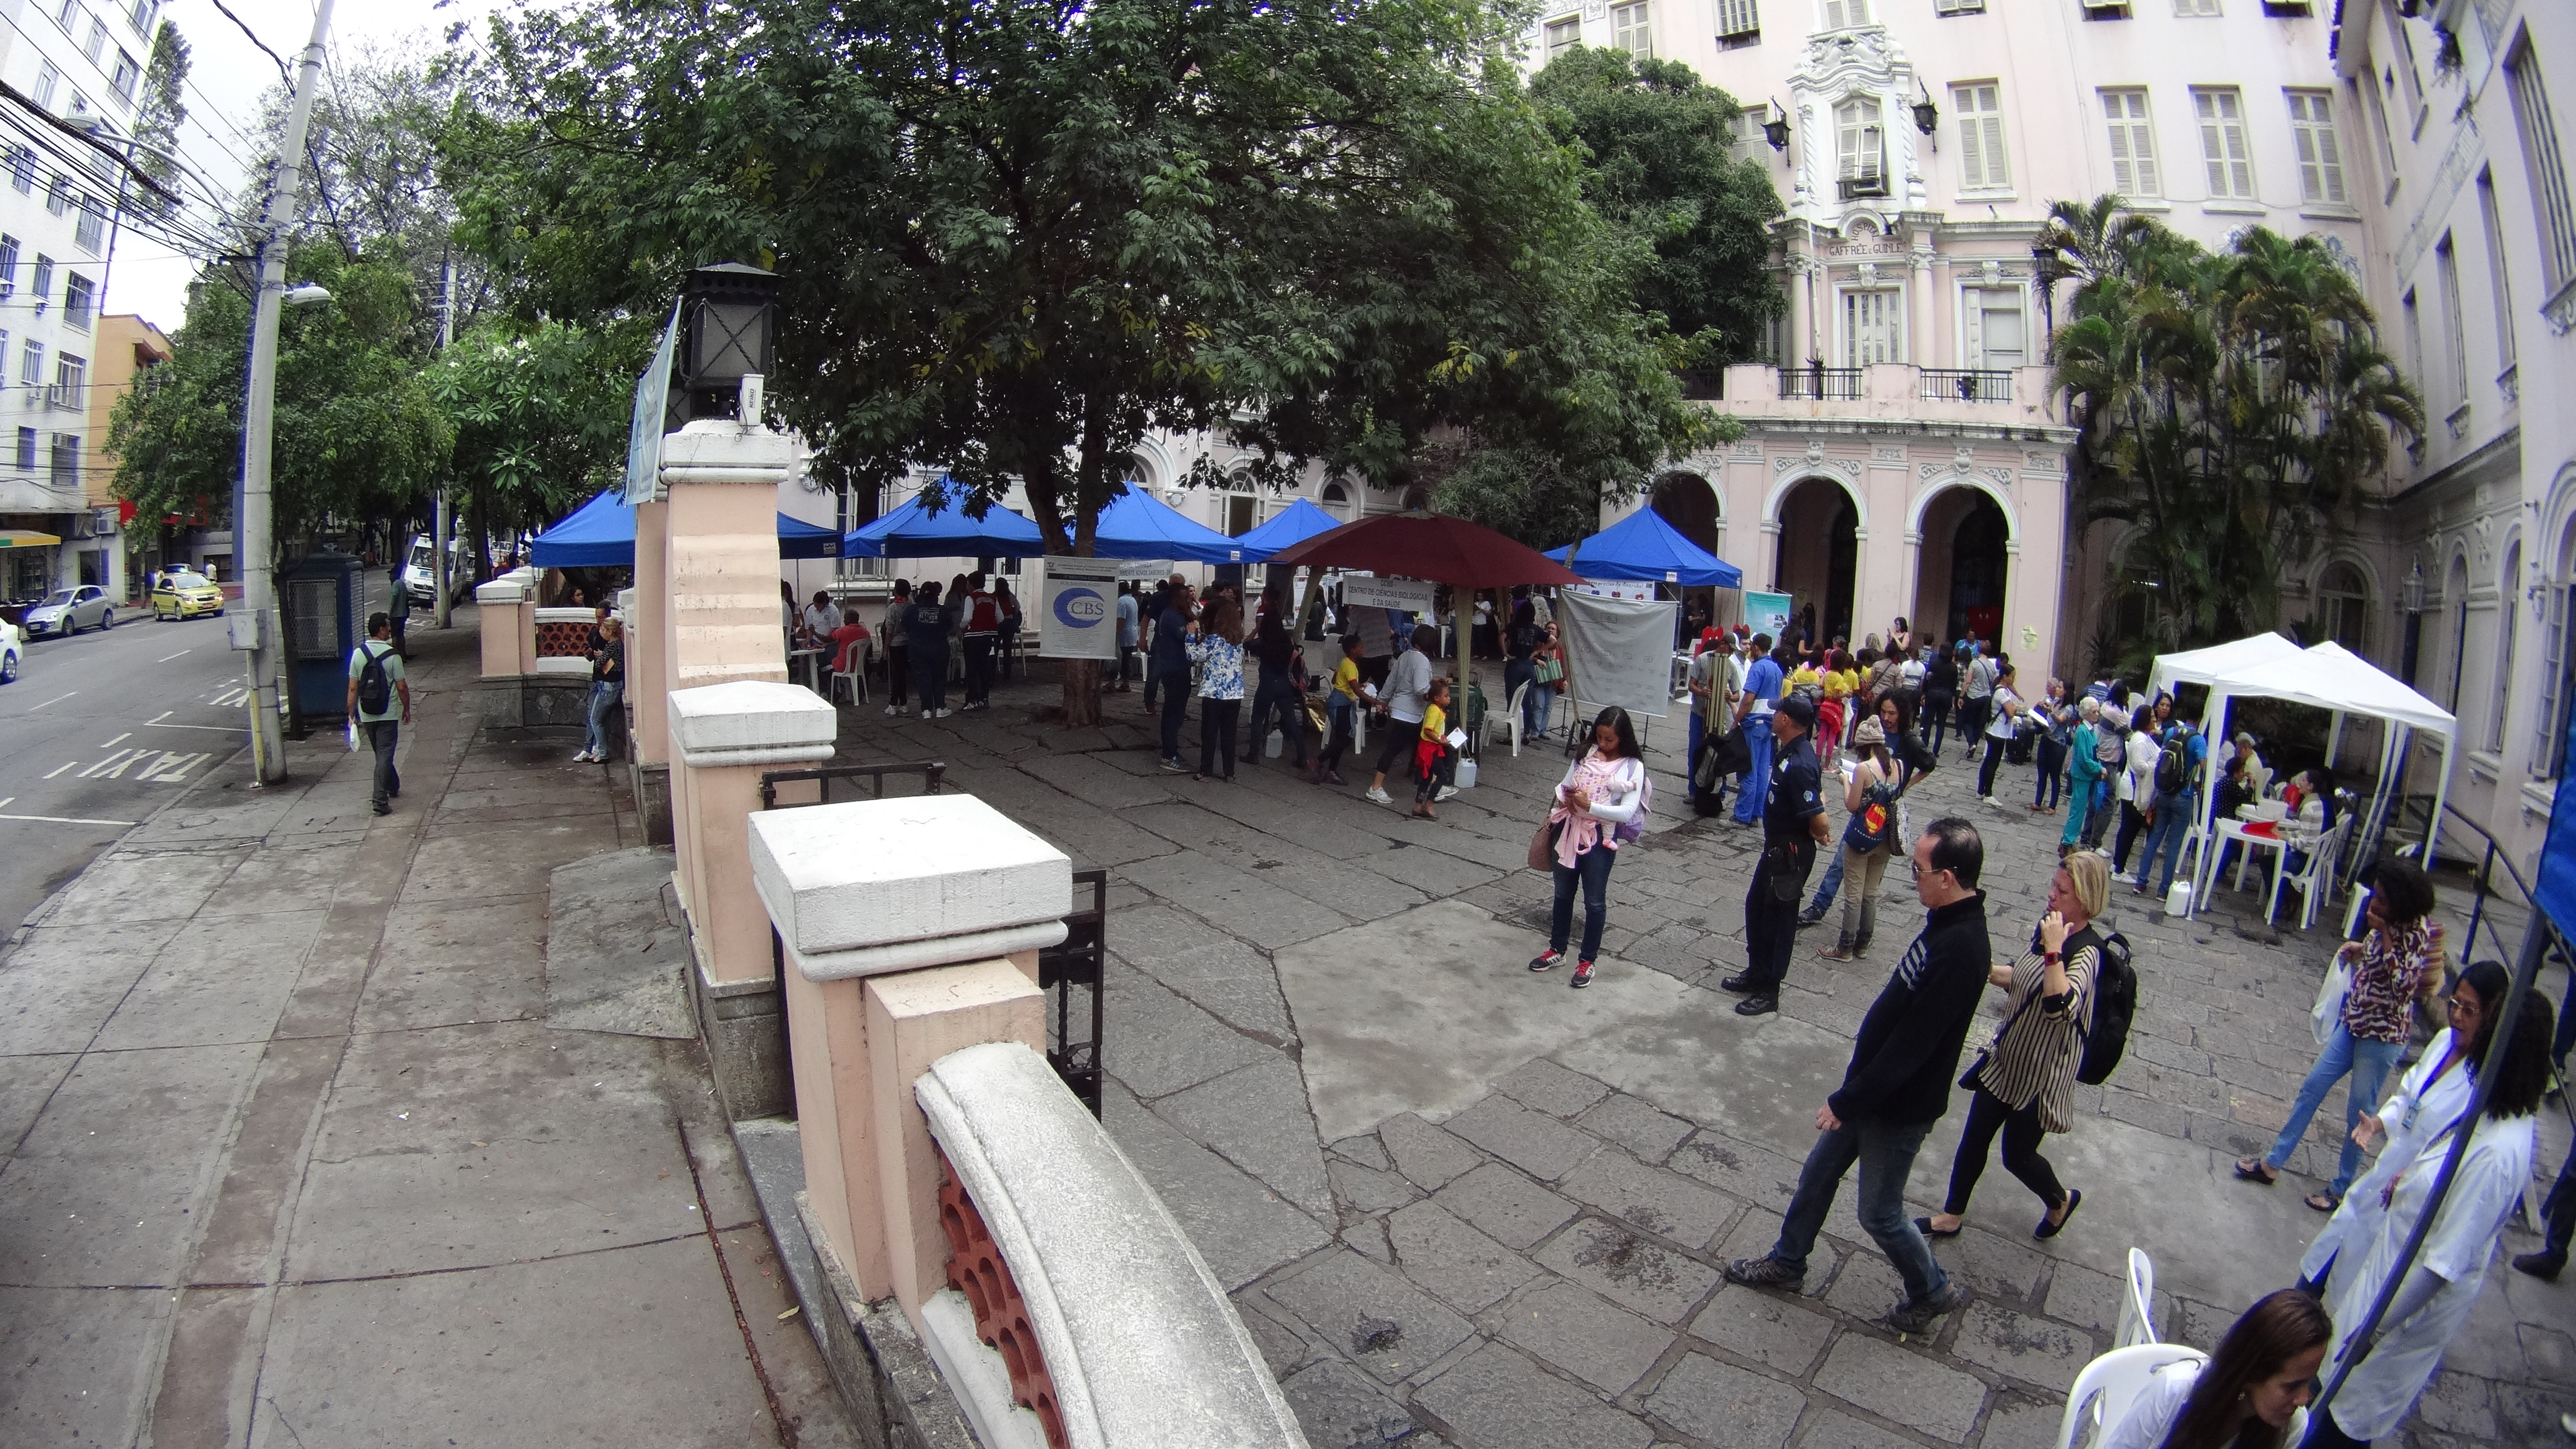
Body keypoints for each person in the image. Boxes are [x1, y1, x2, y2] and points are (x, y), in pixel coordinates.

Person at [1726, 818, 1992, 1335]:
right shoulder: (1946, 921)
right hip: (1871, 1090)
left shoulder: (1961, 948)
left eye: (1919, 870)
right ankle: (1788, 1261)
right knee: (1818, 1174)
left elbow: (1912, 1047)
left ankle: (1933, 1290)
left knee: (1880, 1213)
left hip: (1896, 1106)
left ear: (1948, 877)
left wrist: (1847, 1100)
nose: (1913, 878)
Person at [2312, 1002, 2553, 1448]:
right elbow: (2449, 1163)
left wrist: (2373, 1332)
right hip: (2384, 1278)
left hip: (2398, 1318)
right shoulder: (2491, 1109)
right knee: (2327, 1395)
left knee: (2341, 1422)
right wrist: (2414, 1177)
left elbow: (2442, 1267)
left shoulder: (2499, 1156)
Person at [1919, 853, 2109, 1243]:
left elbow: (2059, 1008)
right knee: (1973, 1140)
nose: (2052, 895)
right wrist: (1985, 969)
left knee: (2017, 1157)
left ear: (2086, 898)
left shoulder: (2088, 953)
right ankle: (1951, 1216)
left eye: (2062, 891)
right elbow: (2024, 977)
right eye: (2054, 886)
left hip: (2042, 1076)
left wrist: (2054, 949)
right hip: (2008, 1058)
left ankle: (2060, 1200)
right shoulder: (2048, 928)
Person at [2236, 860, 2444, 1211]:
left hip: (2381, 1038)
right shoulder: (2383, 925)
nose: (2374, 903)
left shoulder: (2415, 932)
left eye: (2382, 899)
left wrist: (2385, 935)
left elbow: (2404, 987)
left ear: (2400, 903)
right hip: (2354, 1022)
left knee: (2358, 1115)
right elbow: (2378, 957)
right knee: (2312, 1087)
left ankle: (2342, 1187)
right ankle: (2273, 1162)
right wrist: (2362, 948)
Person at [2304, 960, 2503, 1294]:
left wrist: (2412, 1175)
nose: (2457, 1016)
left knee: (2356, 1285)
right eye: (2455, 1004)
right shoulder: (2443, 1041)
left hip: (2408, 1200)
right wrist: (2378, 1123)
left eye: (2469, 1010)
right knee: (2323, 1262)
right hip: (2384, 1173)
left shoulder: (2481, 1086)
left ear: (2491, 1016)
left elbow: (2456, 1151)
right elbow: (2410, 1095)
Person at [2098, 1290, 2331, 1449]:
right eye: (2291, 1386)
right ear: (2251, 1374)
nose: (2303, 1399)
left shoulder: (2292, 1427)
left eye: (2310, 1381)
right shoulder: (2175, 1390)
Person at [1721, 694, 1829, 1017]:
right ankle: (1756, 971)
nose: (1774, 715)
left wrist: (1820, 831)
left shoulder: (1801, 763)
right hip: (1775, 849)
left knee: (1778, 921)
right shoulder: (1789, 750)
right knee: (1757, 908)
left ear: (1788, 720)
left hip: (1790, 854)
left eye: (1778, 712)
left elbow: (1819, 817)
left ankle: (1770, 990)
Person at [1530, 708, 1646, 990]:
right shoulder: (1585, 752)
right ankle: (1557, 948)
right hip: (1568, 828)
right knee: (1562, 893)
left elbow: (1627, 811)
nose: (1603, 744)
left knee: (1594, 901)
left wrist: (1590, 806)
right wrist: (1565, 799)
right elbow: (1566, 783)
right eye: (1600, 737)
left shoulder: (1633, 767)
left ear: (1623, 738)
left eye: (1610, 739)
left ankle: (1587, 960)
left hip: (1599, 837)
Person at [1820, 714, 1905, 962]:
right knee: (1871, 892)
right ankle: (1863, 945)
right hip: (1886, 838)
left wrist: (1845, 782)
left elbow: (1852, 805)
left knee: (1854, 894)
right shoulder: (1899, 765)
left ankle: (1845, 947)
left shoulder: (1863, 769)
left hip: (1862, 836)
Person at [345, 612, 411, 816]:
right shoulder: (393, 656)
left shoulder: (358, 654)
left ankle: (393, 785)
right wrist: (406, 708)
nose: (390, 629)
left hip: (367, 714)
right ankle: (380, 800)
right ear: (381, 629)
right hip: (388, 714)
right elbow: (402, 687)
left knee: (382, 754)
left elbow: (353, 688)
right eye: (388, 626)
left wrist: (351, 715)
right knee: (384, 754)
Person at [2134, 716, 2205, 898]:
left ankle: (2141, 881)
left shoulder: (2172, 732)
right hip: (2184, 795)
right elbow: (2203, 764)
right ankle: (2164, 889)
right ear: (2200, 718)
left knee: (2154, 838)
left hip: (2164, 792)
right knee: (2173, 845)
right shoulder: (2198, 740)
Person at [1366, 627, 1433, 806]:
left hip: (1399, 709)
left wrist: (1383, 700)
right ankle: (1376, 786)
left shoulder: (1404, 656)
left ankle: (1433, 782)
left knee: (1420, 746)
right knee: (1398, 748)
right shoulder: (1422, 661)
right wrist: (1434, 693)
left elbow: (1391, 681)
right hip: (1411, 713)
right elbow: (1421, 688)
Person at [1186, 596, 1246, 782]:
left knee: (1209, 733)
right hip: (1234, 693)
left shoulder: (1213, 640)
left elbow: (1193, 655)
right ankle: (1230, 772)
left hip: (1214, 693)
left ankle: (1206, 770)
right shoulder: (1238, 642)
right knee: (1229, 734)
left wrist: (1190, 636)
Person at [1242, 612, 1310, 771]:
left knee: (1258, 719)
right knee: (1291, 720)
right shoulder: (1287, 643)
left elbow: (1245, 644)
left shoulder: (1262, 643)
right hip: (1285, 685)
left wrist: (1256, 629)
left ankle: (1253, 754)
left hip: (1267, 685)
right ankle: (1302, 756)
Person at [1731, 635, 1786, 826]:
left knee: (1749, 770)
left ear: (1756, 647)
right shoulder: (1776, 669)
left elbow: (1748, 700)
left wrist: (1737, 720)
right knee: (1763, 771)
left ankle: (1742, 815)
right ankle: (1756, 814)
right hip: (1769, 725)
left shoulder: (1758, 668)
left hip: (1754, 724)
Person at [1152, 582, 1195, 770]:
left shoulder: (1177, 615)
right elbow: (1189, 638)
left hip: (1178, 668)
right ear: (1176, 599)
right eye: (1185, 598)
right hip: (1174, 670)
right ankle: (1168, 755)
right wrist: (1193, 629)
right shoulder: (1171, 617)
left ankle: (1172, 750)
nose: (1188, 601)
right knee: (1173, 713)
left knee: (1177, 714)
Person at [2113, 718, 2164, 876]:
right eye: (2151, 717)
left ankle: (2117, 863)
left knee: (2127, 828)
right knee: (2130, 829)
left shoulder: (2143, 737)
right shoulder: (2141, 739)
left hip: (2131, 787)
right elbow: (2140, 766)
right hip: (2133, 789)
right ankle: (2119, 869)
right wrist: (2154, 765)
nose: (2154, 720)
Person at [574, 614, 627, 763]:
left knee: (595, 720)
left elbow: (600, 665)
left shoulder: (613, 646)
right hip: (610, 686)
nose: (601, 631)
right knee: (601, 720)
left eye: (604, 629)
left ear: (610, 631)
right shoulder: (616, 645)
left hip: (608, 688)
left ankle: (602, 753)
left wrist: (602, 657)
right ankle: (597, 751)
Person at [1974, 664, 2025, 806]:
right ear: (2005, 677)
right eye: (2012, 677)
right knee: (1993, 763)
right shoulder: (2002, 692)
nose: (2013, 679)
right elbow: (2010, 712)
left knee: (1988, 761)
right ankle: (1988, 794)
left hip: (1994, 730)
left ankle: (1981, 790)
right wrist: (2016, 707)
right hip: (1998, 732)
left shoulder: (2001, 690)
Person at [1316, 634, 1363, 787]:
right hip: (1341, 703)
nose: (1363, 650)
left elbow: (1335, 681)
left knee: (1341, 738)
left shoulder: (1345, 662)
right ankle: (1317, 761)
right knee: (1345, 738)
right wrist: (1374, 701)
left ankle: (1331, 771)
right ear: (1353, 650)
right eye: (1360, 647)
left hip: (1341, 701)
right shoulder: (1350, 666)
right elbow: (1356, 690)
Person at [2057, 696, 2103, 842]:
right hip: (2081, 776)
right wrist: (2099, 768)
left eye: (2098, 711)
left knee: (2080, 810)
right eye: (2094, 712)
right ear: (2087, 713)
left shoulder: (2090, 730)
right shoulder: (2083, 731)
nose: (2097, 714)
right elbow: (2084, 758)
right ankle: (2068, 842)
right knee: (2077, 811)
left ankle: (2070, 840)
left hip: (2087, 776)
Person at [1411, 678, 1457, 820]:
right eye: (1446, 696)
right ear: (1437, 698)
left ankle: (1418, 805)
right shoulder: (1434, 711)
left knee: (1428, 776)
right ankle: (1429, 803)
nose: (1449, 699)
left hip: (1432, 746)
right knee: (1442, 776)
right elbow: (1428, 730)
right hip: (1430, 748)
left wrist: (1441, 737)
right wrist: (1440, 741)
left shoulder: (1436, 710)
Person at [909, 580, 952, 719]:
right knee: (939, 677)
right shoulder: (944, 611)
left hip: (918, 648)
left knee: (923, 678)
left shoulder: (912, 610)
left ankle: (926, 709)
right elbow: (949, 627)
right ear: (936, 595)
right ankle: (940, 707)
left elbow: (905, 625)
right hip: (939, 647)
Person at [958, 571, 1000, 710]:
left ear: (970, 584)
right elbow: (1000, 617)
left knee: (971, 669)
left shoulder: (971, 598)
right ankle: (984, 698)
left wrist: (961, 628)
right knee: (984, 667)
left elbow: (967, 618)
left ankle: (972, 700)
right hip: (988, 637)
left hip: (972, 637)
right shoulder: (992, 598)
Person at [2029, 680, 2071, 815]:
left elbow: (2061, 720)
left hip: (2057, 744)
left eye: (2060, 687)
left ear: (2065, 692)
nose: (2057, 689)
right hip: (2046, 739)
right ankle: (2038, 802)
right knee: (2042, 773)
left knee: (2054, 776)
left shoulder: (2069, 708)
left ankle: (2053, 806)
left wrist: (2051, 711)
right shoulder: (2054, 702)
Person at [1503, 601, 1543, 737]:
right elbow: (1552, 640)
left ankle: (1511, 734)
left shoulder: (1513, 626)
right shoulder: (1536, 629)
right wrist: (1537, 652)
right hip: (1529, 665)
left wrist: (1506, 654)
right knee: (1527, 701)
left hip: (1515, 664)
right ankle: (1527, 733)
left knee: (1512, 700)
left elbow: (1502, 637)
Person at [880, 579, 913, 715]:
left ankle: (893, 703)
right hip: (909, 642)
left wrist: (885, 649)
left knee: (898, 674)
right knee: (902, 673)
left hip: (896, 644)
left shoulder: (893, 608)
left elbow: (889, 630)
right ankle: (903, 703)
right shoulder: (912, 606)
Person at [1959, 644, 1998, 759]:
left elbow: (1968, 681)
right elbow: (1993, 682)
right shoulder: (1992, 666)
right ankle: (1973, 746)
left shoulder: (1975, 663)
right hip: (1986, 697)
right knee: (1979, 724)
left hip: (1973, 696)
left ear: (1979, 651)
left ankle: (1972, 744)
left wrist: (1961, 696)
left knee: (1967, 722)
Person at [1921, 643, 1959, 756]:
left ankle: (1924, 745)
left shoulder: (1934, 664)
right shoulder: (1953, 668)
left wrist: (1924, 693)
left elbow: (1927, 679)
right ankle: (1936, 750)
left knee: (1928, 721)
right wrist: (1953, 700)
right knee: (1941, 724)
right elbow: (1954, 685)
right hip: (1946, 695)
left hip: (1933, 693)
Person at [827, 607, 871, 688]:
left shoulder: (842, 631)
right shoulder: (866, 633)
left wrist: (815, 633)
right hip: (860, 666)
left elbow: (830, 639)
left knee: (825, 663)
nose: (844, 621)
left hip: (843, 666)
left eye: (845, 619)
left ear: (848, 620)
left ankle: (833, 691)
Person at [1114, 581, 1140, 692]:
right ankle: (1126, 683)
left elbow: (1121, 619)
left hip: (1124, 634)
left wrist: (1116, 634)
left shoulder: (1121, 601)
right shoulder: (1133, 600)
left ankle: (1112, 682)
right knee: (1127, 660)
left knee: (1118, 660)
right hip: (1132, 634)